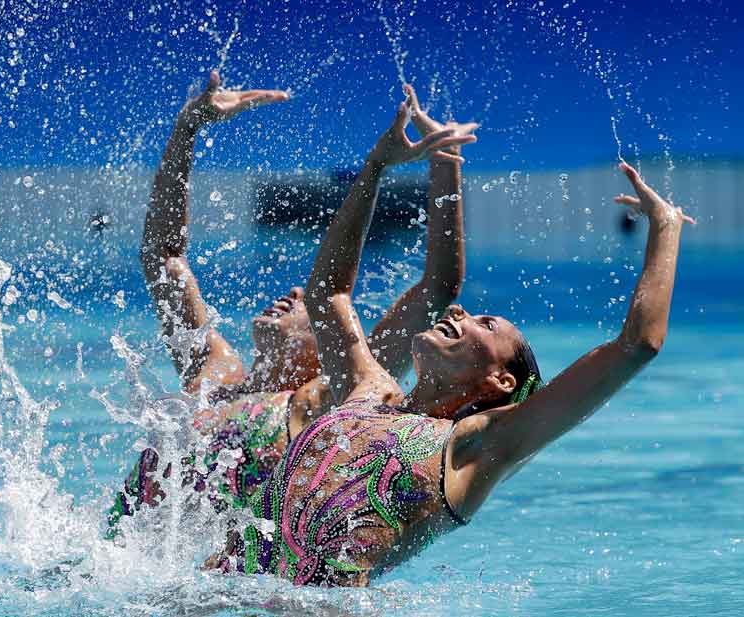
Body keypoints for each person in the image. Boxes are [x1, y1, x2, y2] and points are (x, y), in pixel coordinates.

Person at [208, 98, 694, 586]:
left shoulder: (475, 448)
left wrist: (666, 228)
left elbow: (637, 345)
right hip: (210, 595)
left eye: (486, 323)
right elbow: (328, 293)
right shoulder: (366, 390)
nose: (459, 312)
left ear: (501, 379)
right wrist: (375, 168)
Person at [107, 73, 475, 530]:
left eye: (307, 299)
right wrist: (187, 129)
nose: (296, 292)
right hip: (118, 566)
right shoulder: (213, 373)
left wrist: (444, 159)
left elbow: (437, 289)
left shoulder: (336, 395)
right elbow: (164, 257)